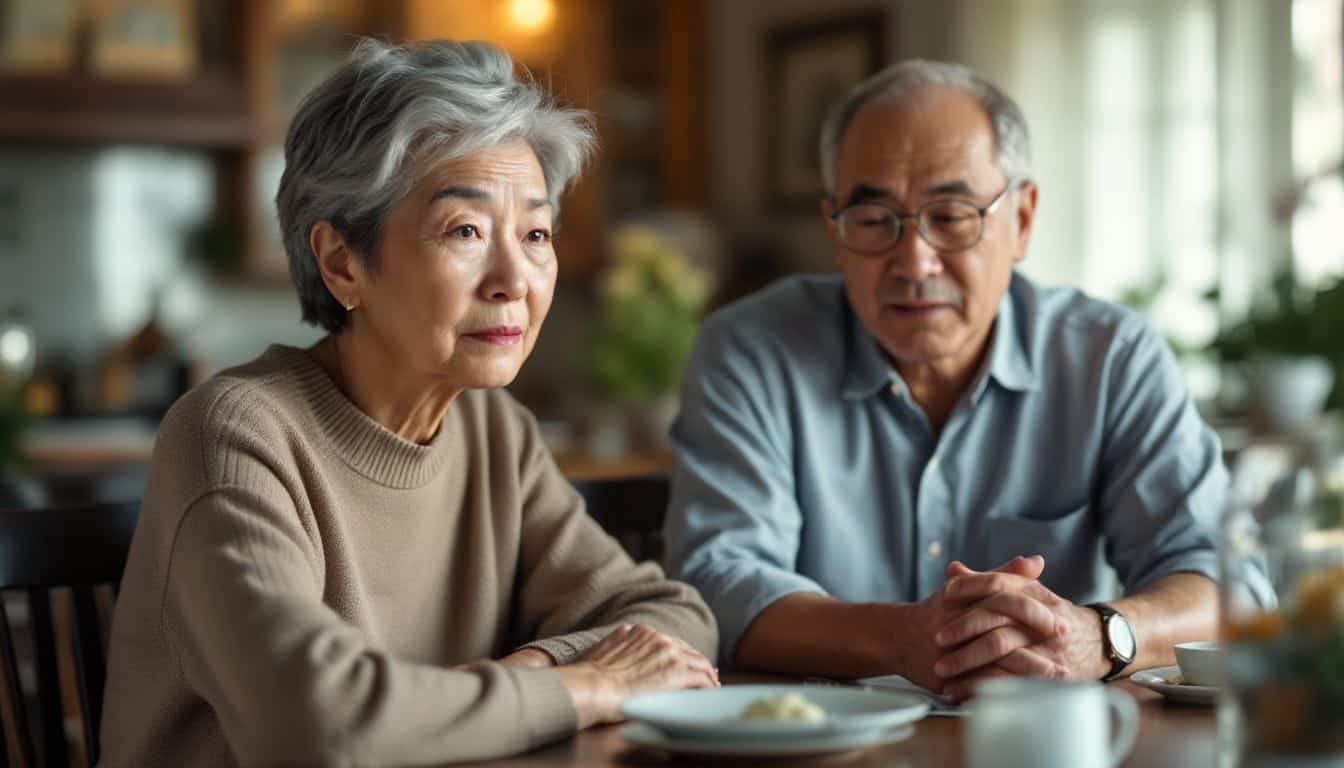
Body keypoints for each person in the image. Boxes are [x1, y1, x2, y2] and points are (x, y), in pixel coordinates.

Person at [100, 39, 717, 767]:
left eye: (536, 233)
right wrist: (588, 685)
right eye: (466, 231)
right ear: (341, 262)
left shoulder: (493, 431)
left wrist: (534, 672)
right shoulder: (234, 434)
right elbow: (322, 725)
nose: (514, 279)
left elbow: (679, 620)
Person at [663, 60, 1269, 702]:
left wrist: (1098, 634)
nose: (914, 260)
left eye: (951, 215)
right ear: (835, 232)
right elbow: (715, 583)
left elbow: (1231, 585)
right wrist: (901, 639)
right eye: (874, 221)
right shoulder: (751, 350)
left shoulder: (1109, 357)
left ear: (1024, 220)